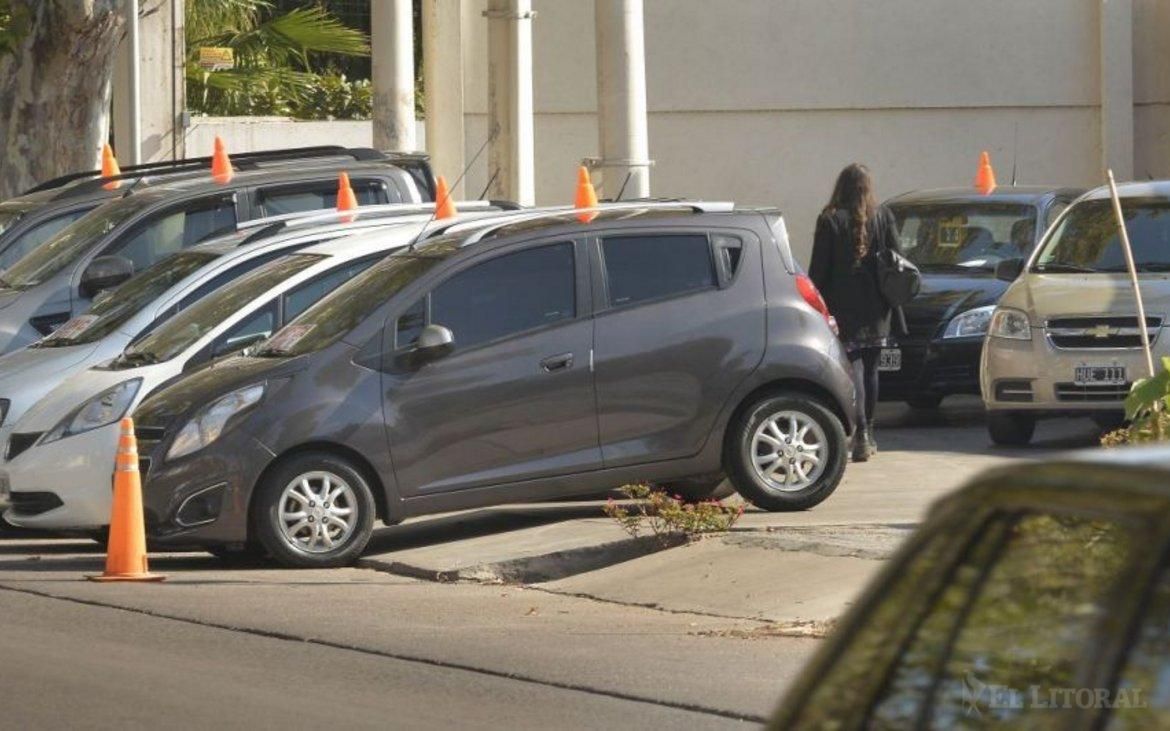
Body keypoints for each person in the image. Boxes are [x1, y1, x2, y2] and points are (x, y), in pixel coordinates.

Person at [808, 163, 901, 463]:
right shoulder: (883, 217)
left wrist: (814, 304)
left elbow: (818, 270)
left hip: (842, 308)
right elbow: (898, 261)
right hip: (876, 308)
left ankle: (858, 430)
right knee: (871, 371)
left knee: (853, 369)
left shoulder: (830, 219)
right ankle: (868, 433)